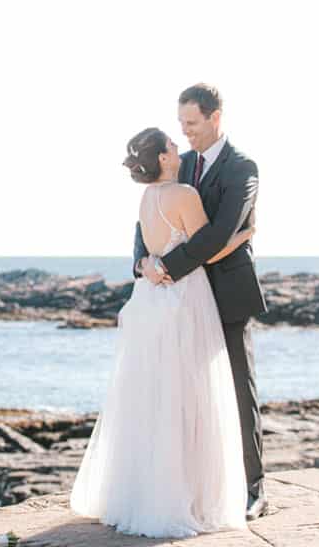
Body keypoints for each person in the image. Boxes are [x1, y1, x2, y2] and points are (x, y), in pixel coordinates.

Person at [69, 125, 254, 538]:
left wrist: (146, 266)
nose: (178, 145)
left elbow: (153, 251)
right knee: (190, 392)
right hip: (185, 297)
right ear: (165, 158)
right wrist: (243, 235)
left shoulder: (147, 197)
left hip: (151, 300)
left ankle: (148, 492)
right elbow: (208, 248)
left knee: (156, 395)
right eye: (171, 144)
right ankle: (186, 496)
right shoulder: (183, 195)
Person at [136, 83, 269, 520]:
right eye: (181, 124)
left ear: (215, 117)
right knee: (188, 394)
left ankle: (253, 488)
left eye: (191, 123)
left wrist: (167, 265)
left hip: (226, 294)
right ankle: (199, 488)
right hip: (183, 301)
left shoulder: (242, 168)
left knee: (236, 387)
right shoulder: (181, 164)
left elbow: (219, 233)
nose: (185, 132)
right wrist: (143, 264)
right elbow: (144, 224)